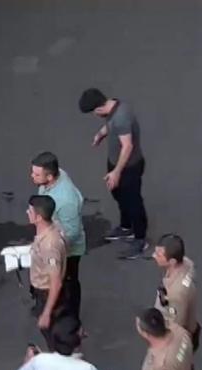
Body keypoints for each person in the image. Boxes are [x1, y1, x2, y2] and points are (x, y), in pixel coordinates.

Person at [79, 88, 148, 259]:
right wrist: (101, 134)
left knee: (133, 202)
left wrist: (116, 172)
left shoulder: (121, 117)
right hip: (114, 163)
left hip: (129, 167)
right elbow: (110, 125)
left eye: (94, 112)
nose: (95, 115)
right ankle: (126, 227)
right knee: (118, 194)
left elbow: (128, 146)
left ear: (98, 108)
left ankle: (140, 239)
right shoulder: (113, 107)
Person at [30, 152, 86, 327]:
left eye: (36, 174)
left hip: (68, 251)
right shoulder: (54, 177)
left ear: (50, 176)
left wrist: (52, 248)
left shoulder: (66, 201)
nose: (32, 176)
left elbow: (72, 232)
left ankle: (71, 323)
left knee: (67, 285)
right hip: (52, 240)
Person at [152, 234, 200, 370]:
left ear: (172, 261)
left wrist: (164, 349)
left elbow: (175, 328)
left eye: (159, 254)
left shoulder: (176, 296)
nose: (154, 256)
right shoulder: (185, 265)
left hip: (183, 336)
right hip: (191, 328)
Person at [27, 195, 69, 350]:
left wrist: (46, 313)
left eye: (30, 211)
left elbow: (55, 282)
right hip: (41, 289)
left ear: (38, 217)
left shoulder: (49, 245)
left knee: (51, 333)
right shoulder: (53, 226)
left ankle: (58, 354)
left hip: (46, 292)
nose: (27, 213)